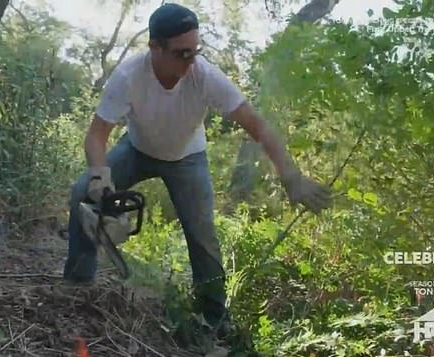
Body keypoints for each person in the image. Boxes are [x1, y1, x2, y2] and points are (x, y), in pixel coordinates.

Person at [63, 2, 331, 341]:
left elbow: (257, 126)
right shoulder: (129, 76)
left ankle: (213, 321)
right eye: (181, 54)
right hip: (137, 149)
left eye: (195, 52)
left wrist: (291, 176)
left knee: (203, 238)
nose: (190, 62)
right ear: (154, 48)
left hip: (188, 158)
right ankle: (77, 286)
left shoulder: (205, 75)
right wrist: (100, 178)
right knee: (81, 192)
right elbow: (97, 134)